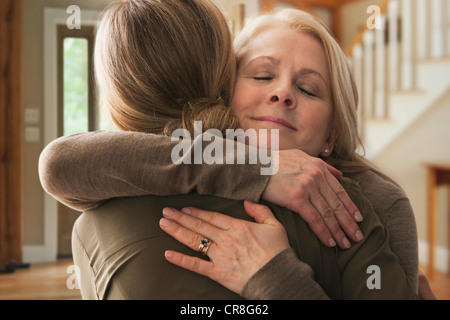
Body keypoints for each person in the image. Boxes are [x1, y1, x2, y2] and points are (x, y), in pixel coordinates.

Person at [39, 0, 417, 299]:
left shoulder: (371, 204)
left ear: (332, 135)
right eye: (262, 75)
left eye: (309, 88)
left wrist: (277, 280)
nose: (282, 92)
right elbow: (61, 162)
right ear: (223, 91)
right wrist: (261, 170)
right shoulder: (171, 163)